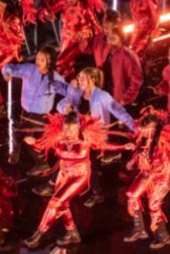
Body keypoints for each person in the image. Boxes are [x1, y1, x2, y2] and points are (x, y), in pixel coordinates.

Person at [22, 112, 132, 248]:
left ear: (78, 128)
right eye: (66, 128)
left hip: (79, 176)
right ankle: (72, 233)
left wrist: (123, 147)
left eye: (72, 128)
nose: (68, 132)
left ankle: (38, 234)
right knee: (63, 205)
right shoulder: (59, 137)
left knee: (55, 202)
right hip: (63, 175)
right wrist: (33, 143)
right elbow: (42, 146)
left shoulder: (85, 138)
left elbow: (103, 145)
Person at [56, 67, 135, 206]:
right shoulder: (78, 93)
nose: (79, 81)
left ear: (93, 79)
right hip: (79, 135)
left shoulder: (102, 96)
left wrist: (134, 126)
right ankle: (79, 187)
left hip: (95, 138)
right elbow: (61, 104)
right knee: (78, 162)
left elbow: (119, 111)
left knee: (90, 163)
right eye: (79, 77)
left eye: (83, 78)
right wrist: (66, 108)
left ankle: (98, 194)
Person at [123, 111, 170, 249]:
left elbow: (164, 166)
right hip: (147, 173)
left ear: (153, 129)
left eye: (145, 129)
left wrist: (150, 176)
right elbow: (142, 151)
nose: (142, 131)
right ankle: (139, 230)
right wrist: (133, 161)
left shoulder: (160, 143)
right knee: (131, 195)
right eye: (142, 129)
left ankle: (163, 237)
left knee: (154, 206)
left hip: (161, 177)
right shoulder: (145, 137)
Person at [3, 45, 69, 168]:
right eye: (37, 58)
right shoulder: (29, 69)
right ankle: (41, 164)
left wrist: (64, 107)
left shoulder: (55, 78)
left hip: (40, 115)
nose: (38, 62)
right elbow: (10, 68)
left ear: (49, 62)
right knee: (28, 140)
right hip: (26, 111)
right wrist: (6, 73)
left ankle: (15, 153)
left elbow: (69, 92)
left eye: (42, 60)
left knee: (19, 133)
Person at [39, 0, 102, 80]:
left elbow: (97, 26)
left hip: (80, 38)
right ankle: (69, 88)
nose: (69, 0)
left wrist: (101, 43)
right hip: (66, 36)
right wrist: (46, 14)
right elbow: (49, 10)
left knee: (60, 61)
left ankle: (56, 84)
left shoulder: (86, 9)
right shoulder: (64, 3)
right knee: (67, 65)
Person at [95, 28, 143, 106]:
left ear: (121, 40)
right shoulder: (108, 53)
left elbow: (137, 79)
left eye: (113, 39)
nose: (109, 41)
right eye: (108, 38)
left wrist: (126, 99)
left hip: (121, 103)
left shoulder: (127, 55)